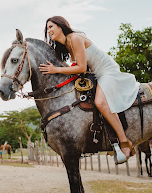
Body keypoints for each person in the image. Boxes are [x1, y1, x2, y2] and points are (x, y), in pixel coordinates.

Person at [39, 16, 139, 162]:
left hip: (107, 71)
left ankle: (124, 141)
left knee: (100, 102)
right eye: (47, 28)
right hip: (96, 75)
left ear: (61, 26)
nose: (49, 31)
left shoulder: (75, 39)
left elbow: (81, 67)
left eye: (51, 27)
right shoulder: (67, 46)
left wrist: (55, 69)